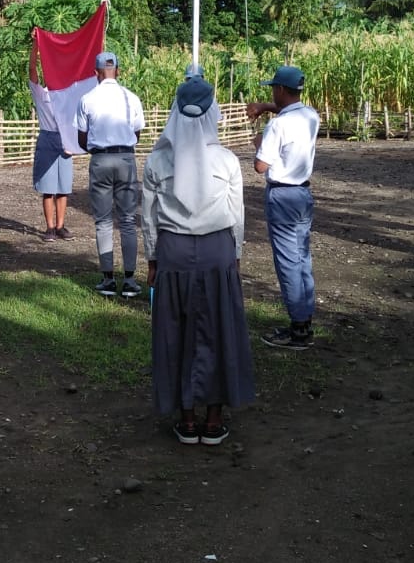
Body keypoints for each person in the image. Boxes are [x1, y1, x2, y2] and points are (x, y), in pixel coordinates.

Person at [143, 78, 252, 445]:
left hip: (173, 252)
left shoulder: (158, 160)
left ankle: (187, 418)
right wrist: (235, 255)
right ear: (212, 114)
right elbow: (236, 215)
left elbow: (149, 216)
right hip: (217, 252)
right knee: (218, 329)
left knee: (178, 331)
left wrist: (152, 258)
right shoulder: (228, 160)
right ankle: (213, 417)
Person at [247, 65, 320, 350]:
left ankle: (298, 327)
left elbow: (260, 166)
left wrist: (259, 143)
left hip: (282, 195)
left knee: (288, 261)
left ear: (280, 89)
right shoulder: (310, 115)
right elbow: (290, 114)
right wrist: (266, 106)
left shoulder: (277, 126)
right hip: (302, 193)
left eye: (272, 90)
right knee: (302, 257)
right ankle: (305, 317)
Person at [76, 51, 146, 297]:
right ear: (117, 70)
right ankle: (129, 279)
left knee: (103, 220)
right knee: (127, 220)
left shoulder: (87, 99)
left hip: (100, 159)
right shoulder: (131, 98)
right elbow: (137, 133)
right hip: (126, 157)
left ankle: (107, 278)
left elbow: (82, 137)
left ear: (96, 72)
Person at [28, 43, 73, 241]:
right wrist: (36, 46)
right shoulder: (41, 93)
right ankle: (49, 228)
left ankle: (61, 225)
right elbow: (31, 70)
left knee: (63, 188)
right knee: (48, 188)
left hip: (64, 140)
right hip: (47, 138)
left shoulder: (67, 94)